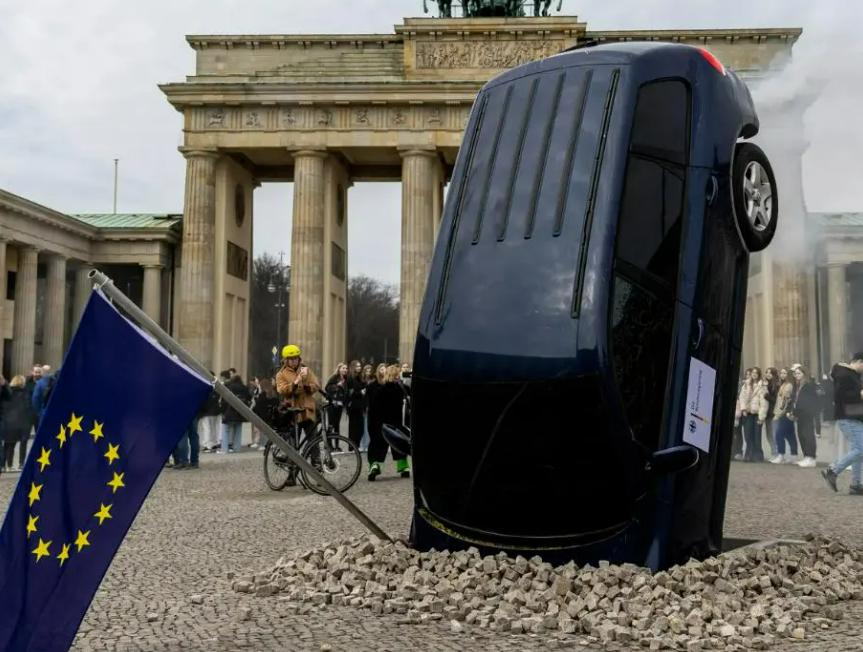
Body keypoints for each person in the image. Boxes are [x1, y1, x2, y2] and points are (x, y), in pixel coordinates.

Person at [821, 352, 863, 494]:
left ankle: (856, 485)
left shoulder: (851, 375)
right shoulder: (845, 375)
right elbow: (839, 396)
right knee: (861, 449)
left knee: (858, 451)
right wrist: (859, 395)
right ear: (859, 361)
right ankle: (833, 471)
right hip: (848, 418)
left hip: (854, 417)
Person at [366, 364, 410, 480]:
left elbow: (372, 408)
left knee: (377, 445)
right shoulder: (400, 389)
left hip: (379, 423)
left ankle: (374, 465)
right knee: (398, 444)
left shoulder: (379, 390)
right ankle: (404, 467)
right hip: (395, 422)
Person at [275, 345, 321, 445]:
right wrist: (296, 382)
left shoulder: (305, 370)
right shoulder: (281, 374)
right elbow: (282, 390)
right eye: (291, 359)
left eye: (295, 358)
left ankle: (313, 455)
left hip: (307, 411)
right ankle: (293, 455)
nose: (294, 361)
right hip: (292, 412)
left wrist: (306, 386)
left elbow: (316, 385)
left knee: (314, 442)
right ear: (286, 360)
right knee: (293, 444)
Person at [736, 366, 766, 462]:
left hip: (757, 413)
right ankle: (749, 454)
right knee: (748, 435)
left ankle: (758, 456)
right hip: (747, 413)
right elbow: (741, 398)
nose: (754, 374)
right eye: (753, 372)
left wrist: (761, 416)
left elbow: (764, 402)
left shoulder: (762, 385)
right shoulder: (746, 384)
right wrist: (743, 409)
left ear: (759, 374)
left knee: (757, 436)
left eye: (756, 373)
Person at [791, 366, 819, 468]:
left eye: (799, 373)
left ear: (804, 374)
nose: (797, 375)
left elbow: (809, 401)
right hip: (800, 414)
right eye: (796, 373)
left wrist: (801, 411)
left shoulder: (808, 385)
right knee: (801, 435)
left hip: (807, 414)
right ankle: (806, 456)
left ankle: (811, 457)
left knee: (808, 435)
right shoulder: (798, 385)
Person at [2, 376, 30, 471]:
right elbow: (28, 406)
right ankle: (21, 464)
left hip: (9, 421)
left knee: (9, 444)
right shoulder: (25, 393)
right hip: (23, 421)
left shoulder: (7, 392)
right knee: (23, 443)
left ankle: (5, 465)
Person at [771, 368, 798, 464]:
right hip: (783, 412)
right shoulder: (784, 384)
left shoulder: (789, 385)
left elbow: (785, 402)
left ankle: (781, 455)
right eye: (781, 373)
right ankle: (794, 455)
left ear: (788, 374)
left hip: (785, 413)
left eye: (784, 373)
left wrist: (779, 414)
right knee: (790, 434)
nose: (782, 375)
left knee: (779, 434)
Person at [220, 372, 251, 453]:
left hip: (229, 411)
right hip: (240, 412)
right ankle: (237, 448)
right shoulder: (245, 388)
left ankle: (225, 449)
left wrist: (222, 410)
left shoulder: (230, 387)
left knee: (226, 430)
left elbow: (225, 400)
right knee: (238, 430)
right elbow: (249, 398)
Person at [345, 360, 367, 450]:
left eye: (360, 366)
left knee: (360, 427)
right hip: (353, 406)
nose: (359, 368)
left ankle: (357, 445)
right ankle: (352, 446)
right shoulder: (350, 378)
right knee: (353, 427)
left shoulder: (359, 378)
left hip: (360, 406)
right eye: (357, 366)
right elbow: (350, 393)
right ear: (353, 367)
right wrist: (360, 392)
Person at [324, 363, 349, 440]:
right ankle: (328, 442)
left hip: (340, 404)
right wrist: (337, 385)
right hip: (332, 404)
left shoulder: (346, 379)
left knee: (337, 424)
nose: (345, 370)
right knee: (331, 424)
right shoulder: (334, 377)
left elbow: (346, 392)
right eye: (343, 368)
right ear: (339, 369)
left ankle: (337, 444)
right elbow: (327, 388)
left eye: (346, 368)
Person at [732, 368, 751, 461]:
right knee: (735, 433)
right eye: (746, 374)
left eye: (749, 374)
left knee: (741, 433)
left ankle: (740, 452)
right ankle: (734, 452)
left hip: (742, 410)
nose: (748, 376)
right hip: (737, 410)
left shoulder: (741, 383)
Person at [198, 384, 223, 453]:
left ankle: (207, 445)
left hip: (206, 413)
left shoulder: (203, 390)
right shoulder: (216, 390)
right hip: (216, 412)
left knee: (206, 429)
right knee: (215, 428)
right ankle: (215, 443)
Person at [762, 367, 780, 460]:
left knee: (773, 434)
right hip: (767, 413)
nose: (768, 374)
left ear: (774, 375)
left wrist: (766, 396)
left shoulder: (776, 385)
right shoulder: (765, 384)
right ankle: (774, 453)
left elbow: (776, 400)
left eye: (770, 373)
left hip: (773, 413)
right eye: (767, 372)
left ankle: (776, 453)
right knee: (768, 435)